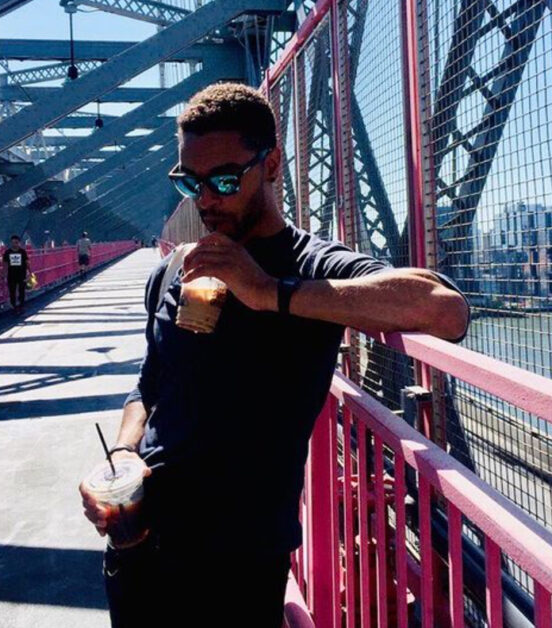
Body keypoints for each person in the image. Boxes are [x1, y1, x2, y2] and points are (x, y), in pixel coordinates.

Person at [79, 83, 470, 627]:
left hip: (239, 560)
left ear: (272, 165)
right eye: (191, 182)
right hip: (139, 539)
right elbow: (150, 384)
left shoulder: (309, 266)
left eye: (223, 180)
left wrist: (268, 291)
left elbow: (443, 309)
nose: (206, 200)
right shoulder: (171, 270)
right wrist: (122, 453)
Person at [2, 234, 31, 314]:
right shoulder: (7, 252)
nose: (15, 244)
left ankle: (21, 306)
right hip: (11, 275)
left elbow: (27, 262)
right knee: (12, 292)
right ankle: (14, 306)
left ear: (19, 243)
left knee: (22, 291)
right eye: (14, 242)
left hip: (22, 275)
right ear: (11, 243)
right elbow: (5, 264)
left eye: (17, 242)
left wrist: (30, 272)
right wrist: (3, 274)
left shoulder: (23, 252)